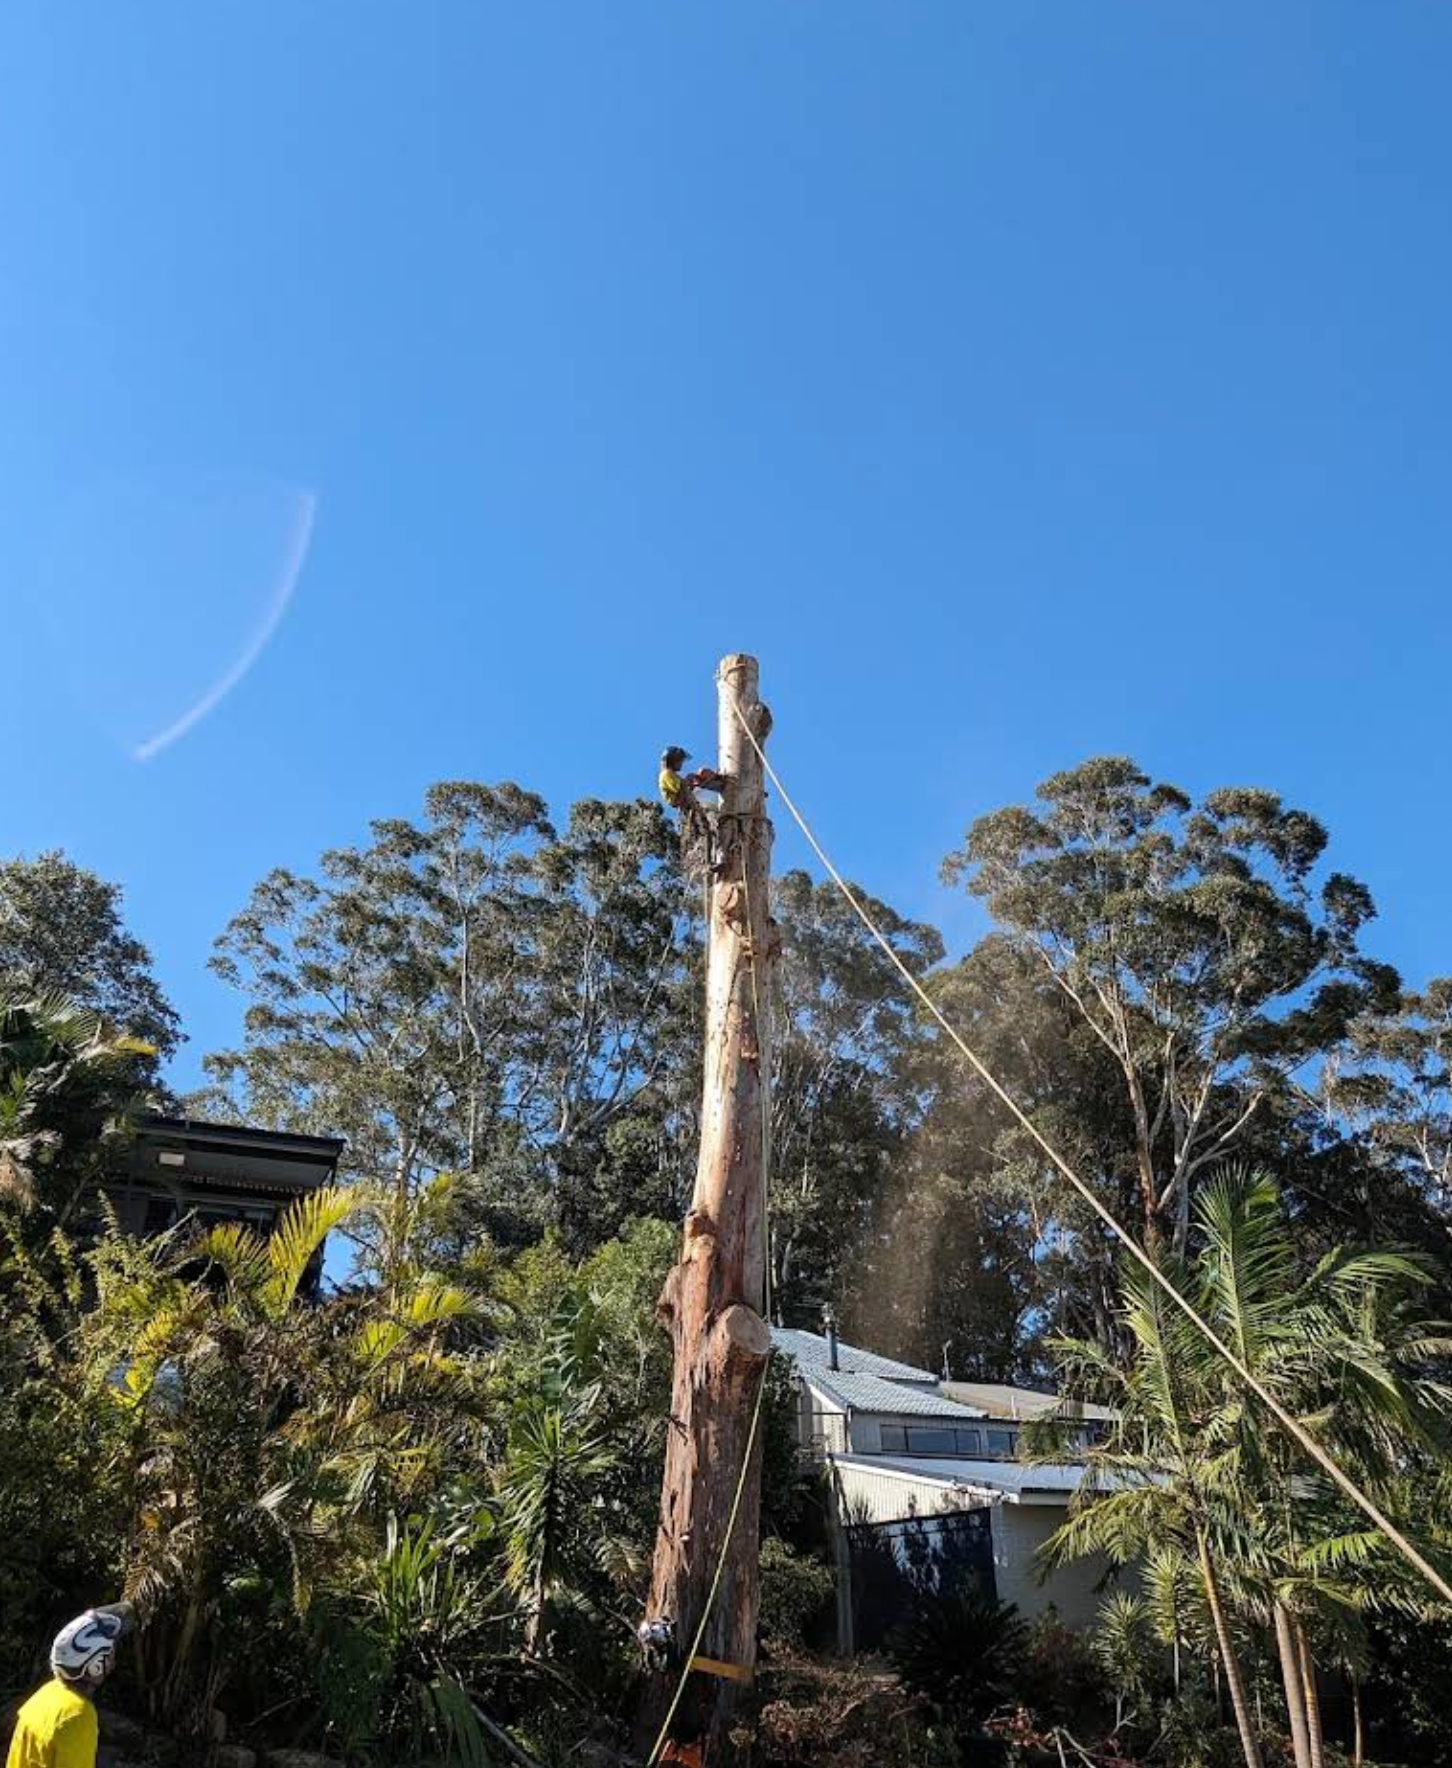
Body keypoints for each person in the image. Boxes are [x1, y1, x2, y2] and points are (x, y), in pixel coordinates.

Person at [6, 1605, 133, 1768]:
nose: (113, 1663)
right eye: (109, 1655)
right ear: (94, 1665)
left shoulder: (46, 1693)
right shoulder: (77, 1714)